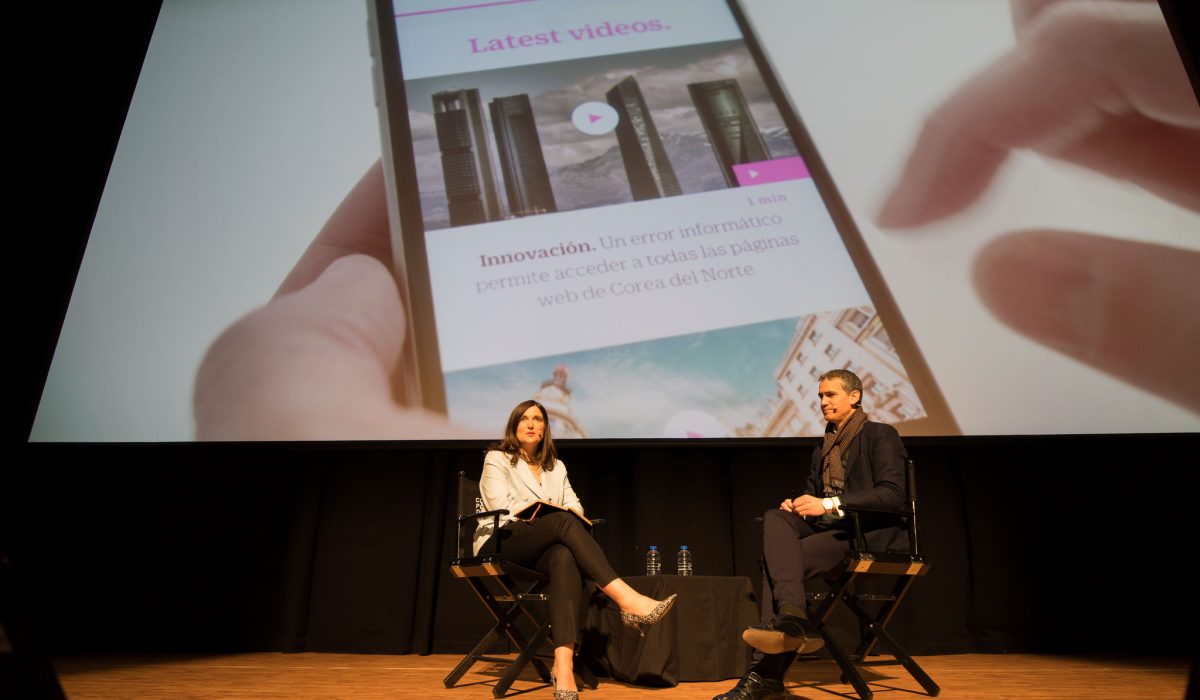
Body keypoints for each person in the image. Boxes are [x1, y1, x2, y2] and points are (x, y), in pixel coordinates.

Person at [714, 369, 908, 700]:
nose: (823, 401)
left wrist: (828, 503)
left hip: (867, 532)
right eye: (820, 396)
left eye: (830, 394)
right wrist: (799, 505)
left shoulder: (880, 434)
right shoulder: (823, 447)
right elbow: (813, 495)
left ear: (854, 397)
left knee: (775, 564)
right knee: (777, 517)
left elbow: (893, 494)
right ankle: (792, 616)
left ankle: (766, 674)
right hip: (833, 528)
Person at [477, 399, 676, 700]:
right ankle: (627, 599)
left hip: (542, 545)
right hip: (503, 539)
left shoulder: (556, 467)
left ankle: (564, 667)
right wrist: (546, 511)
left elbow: (575, 505)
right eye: (524, 419)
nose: (530, 424)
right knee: (562, 521)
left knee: (565, 557)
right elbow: (499, 505)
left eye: (537, 419)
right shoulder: (497, 458)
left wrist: (556, 513)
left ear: (545, 428)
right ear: (514, 425)